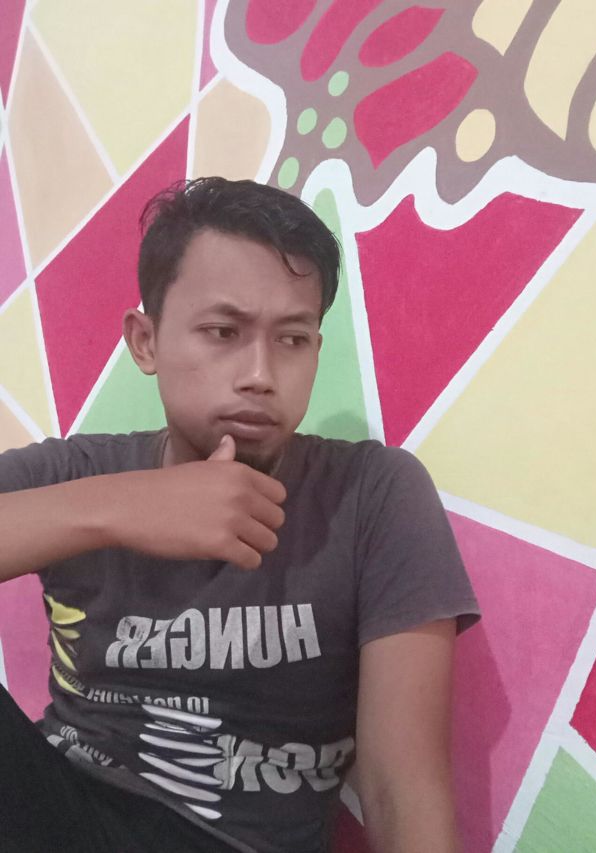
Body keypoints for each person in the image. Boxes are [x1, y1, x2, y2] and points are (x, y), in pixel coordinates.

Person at [0, 177, 480, 853]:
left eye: (293, 339)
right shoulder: (78, 472)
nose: (260, 373)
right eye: (223, 332)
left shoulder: (373, 495)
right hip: (60, 804)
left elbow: (401, 788)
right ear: (146, 341)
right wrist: (118, 505)